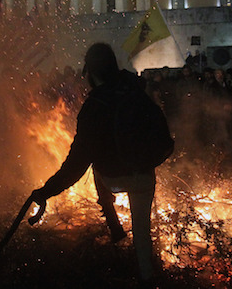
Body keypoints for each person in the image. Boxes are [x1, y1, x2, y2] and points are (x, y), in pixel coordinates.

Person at [29, 43, 163, 287]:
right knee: (142, 233)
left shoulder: (95, 106)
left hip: (114, 178)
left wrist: (46, 191)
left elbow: (77, 164)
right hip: (145, 175)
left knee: (95, 167)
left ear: (91, 73)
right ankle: (148, 278)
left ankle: (114, 225)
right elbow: (162, 136)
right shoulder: (136, 93)